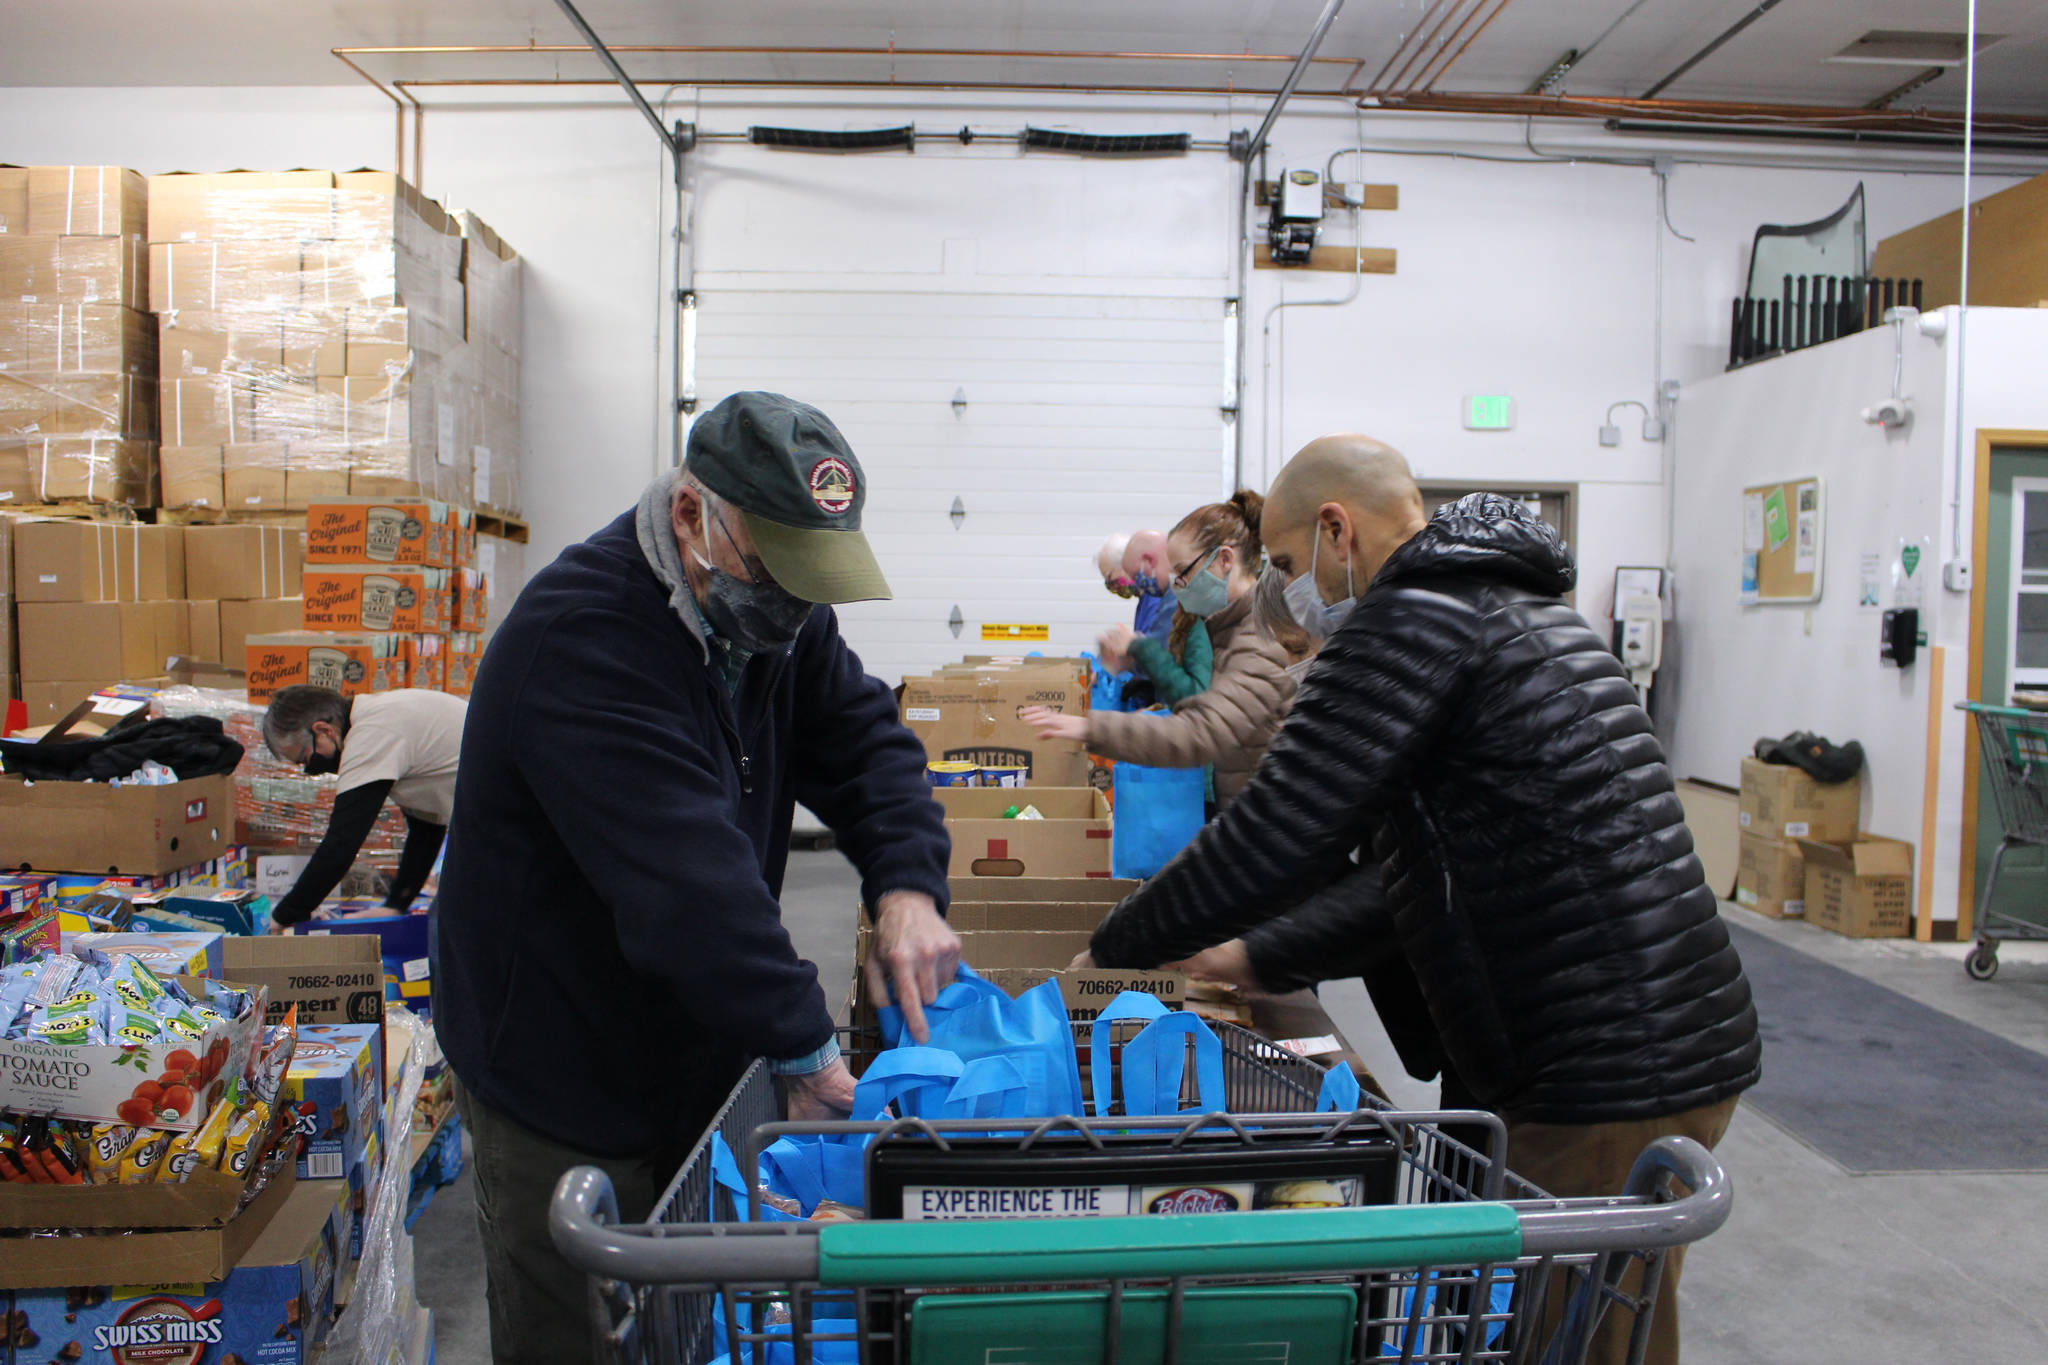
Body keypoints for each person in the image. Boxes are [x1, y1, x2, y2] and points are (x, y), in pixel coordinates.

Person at [1080, 436, 1760, 1365]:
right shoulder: (1506, 606)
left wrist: (1109, 950)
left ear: (1337, 529)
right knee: (1571, 1319)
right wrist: (1262, 955)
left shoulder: (1412, 622)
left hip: (1609, 1057)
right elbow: (1416, 878)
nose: (1288, 590)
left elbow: (1279, 829)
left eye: (1285, 564)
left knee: (1585, 1335)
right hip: (1645, 1032)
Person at [431, 391, 961, 1365]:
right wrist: (802, 1046)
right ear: (691, 517)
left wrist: (906, 887)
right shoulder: (584, 638)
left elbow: (866, 746)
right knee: (584, 1327)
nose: (795, 606)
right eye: (778, 573)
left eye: (814, 581)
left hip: (688, 1042)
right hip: (561, 1061)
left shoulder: (770, 617)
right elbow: (684, 881)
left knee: (690, 1323)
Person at [1025, 491, 1292, 808]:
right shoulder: (1224, 626)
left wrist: (1090, 727)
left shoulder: (1259, 637)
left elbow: (1201, 732)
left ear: (1224, 560)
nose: (1177, 585)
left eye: (1184, 571)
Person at [259, 685, 467, 929]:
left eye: (306, 758)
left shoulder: (370, 734)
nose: (309, 769)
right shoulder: (378, 716)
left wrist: (281, 918)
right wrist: (396, 904)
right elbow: (426, 828)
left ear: (323, 730)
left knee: (449, 929)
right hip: (503, 815)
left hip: (508, 820)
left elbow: (342, 843)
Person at [1122, 529, 1179, 645]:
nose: (1138, 585)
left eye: (1136, 575)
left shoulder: (1176, 598)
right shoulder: (1169, 596)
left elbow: (1160, 654)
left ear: (1149, 560)